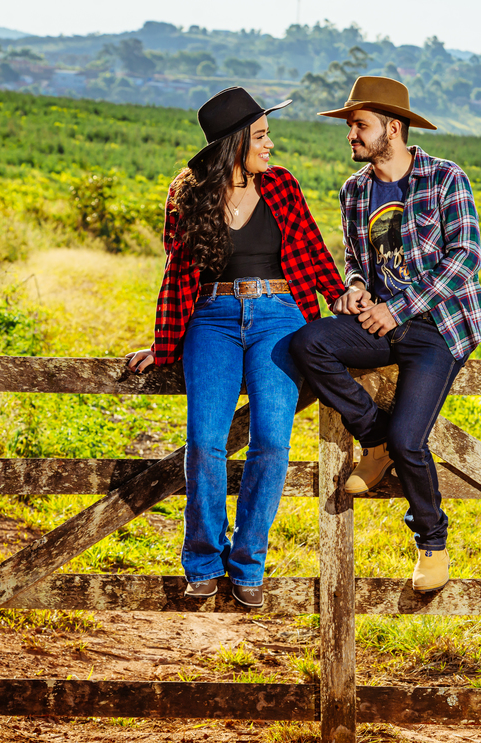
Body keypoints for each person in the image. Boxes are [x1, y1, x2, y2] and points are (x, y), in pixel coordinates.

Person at [127, 87, 345, 608]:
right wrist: (163, 345)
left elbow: (313, 253)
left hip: (279, 316)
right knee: (205, 441)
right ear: (234, 142)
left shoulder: (282, 186)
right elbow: (176, 273)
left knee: (271, 440)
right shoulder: (187, 195)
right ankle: (203, 560)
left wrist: (343, 298)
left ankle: (248, 563)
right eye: (261, 136)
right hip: (213, 317)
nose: (270, 145)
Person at [290, 76, 481, 594]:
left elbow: (465, 259)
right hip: (380, 322)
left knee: (410, 441)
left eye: (360, 125)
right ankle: (372, 437)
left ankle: (432, 543)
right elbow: (356, 260)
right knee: (308, 343)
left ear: (393, 128)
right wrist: (355, 288)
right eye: (350, 126)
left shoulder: (445, 178)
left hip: (437, 326)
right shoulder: (354, 191)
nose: (351, 135)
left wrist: (398, 308)